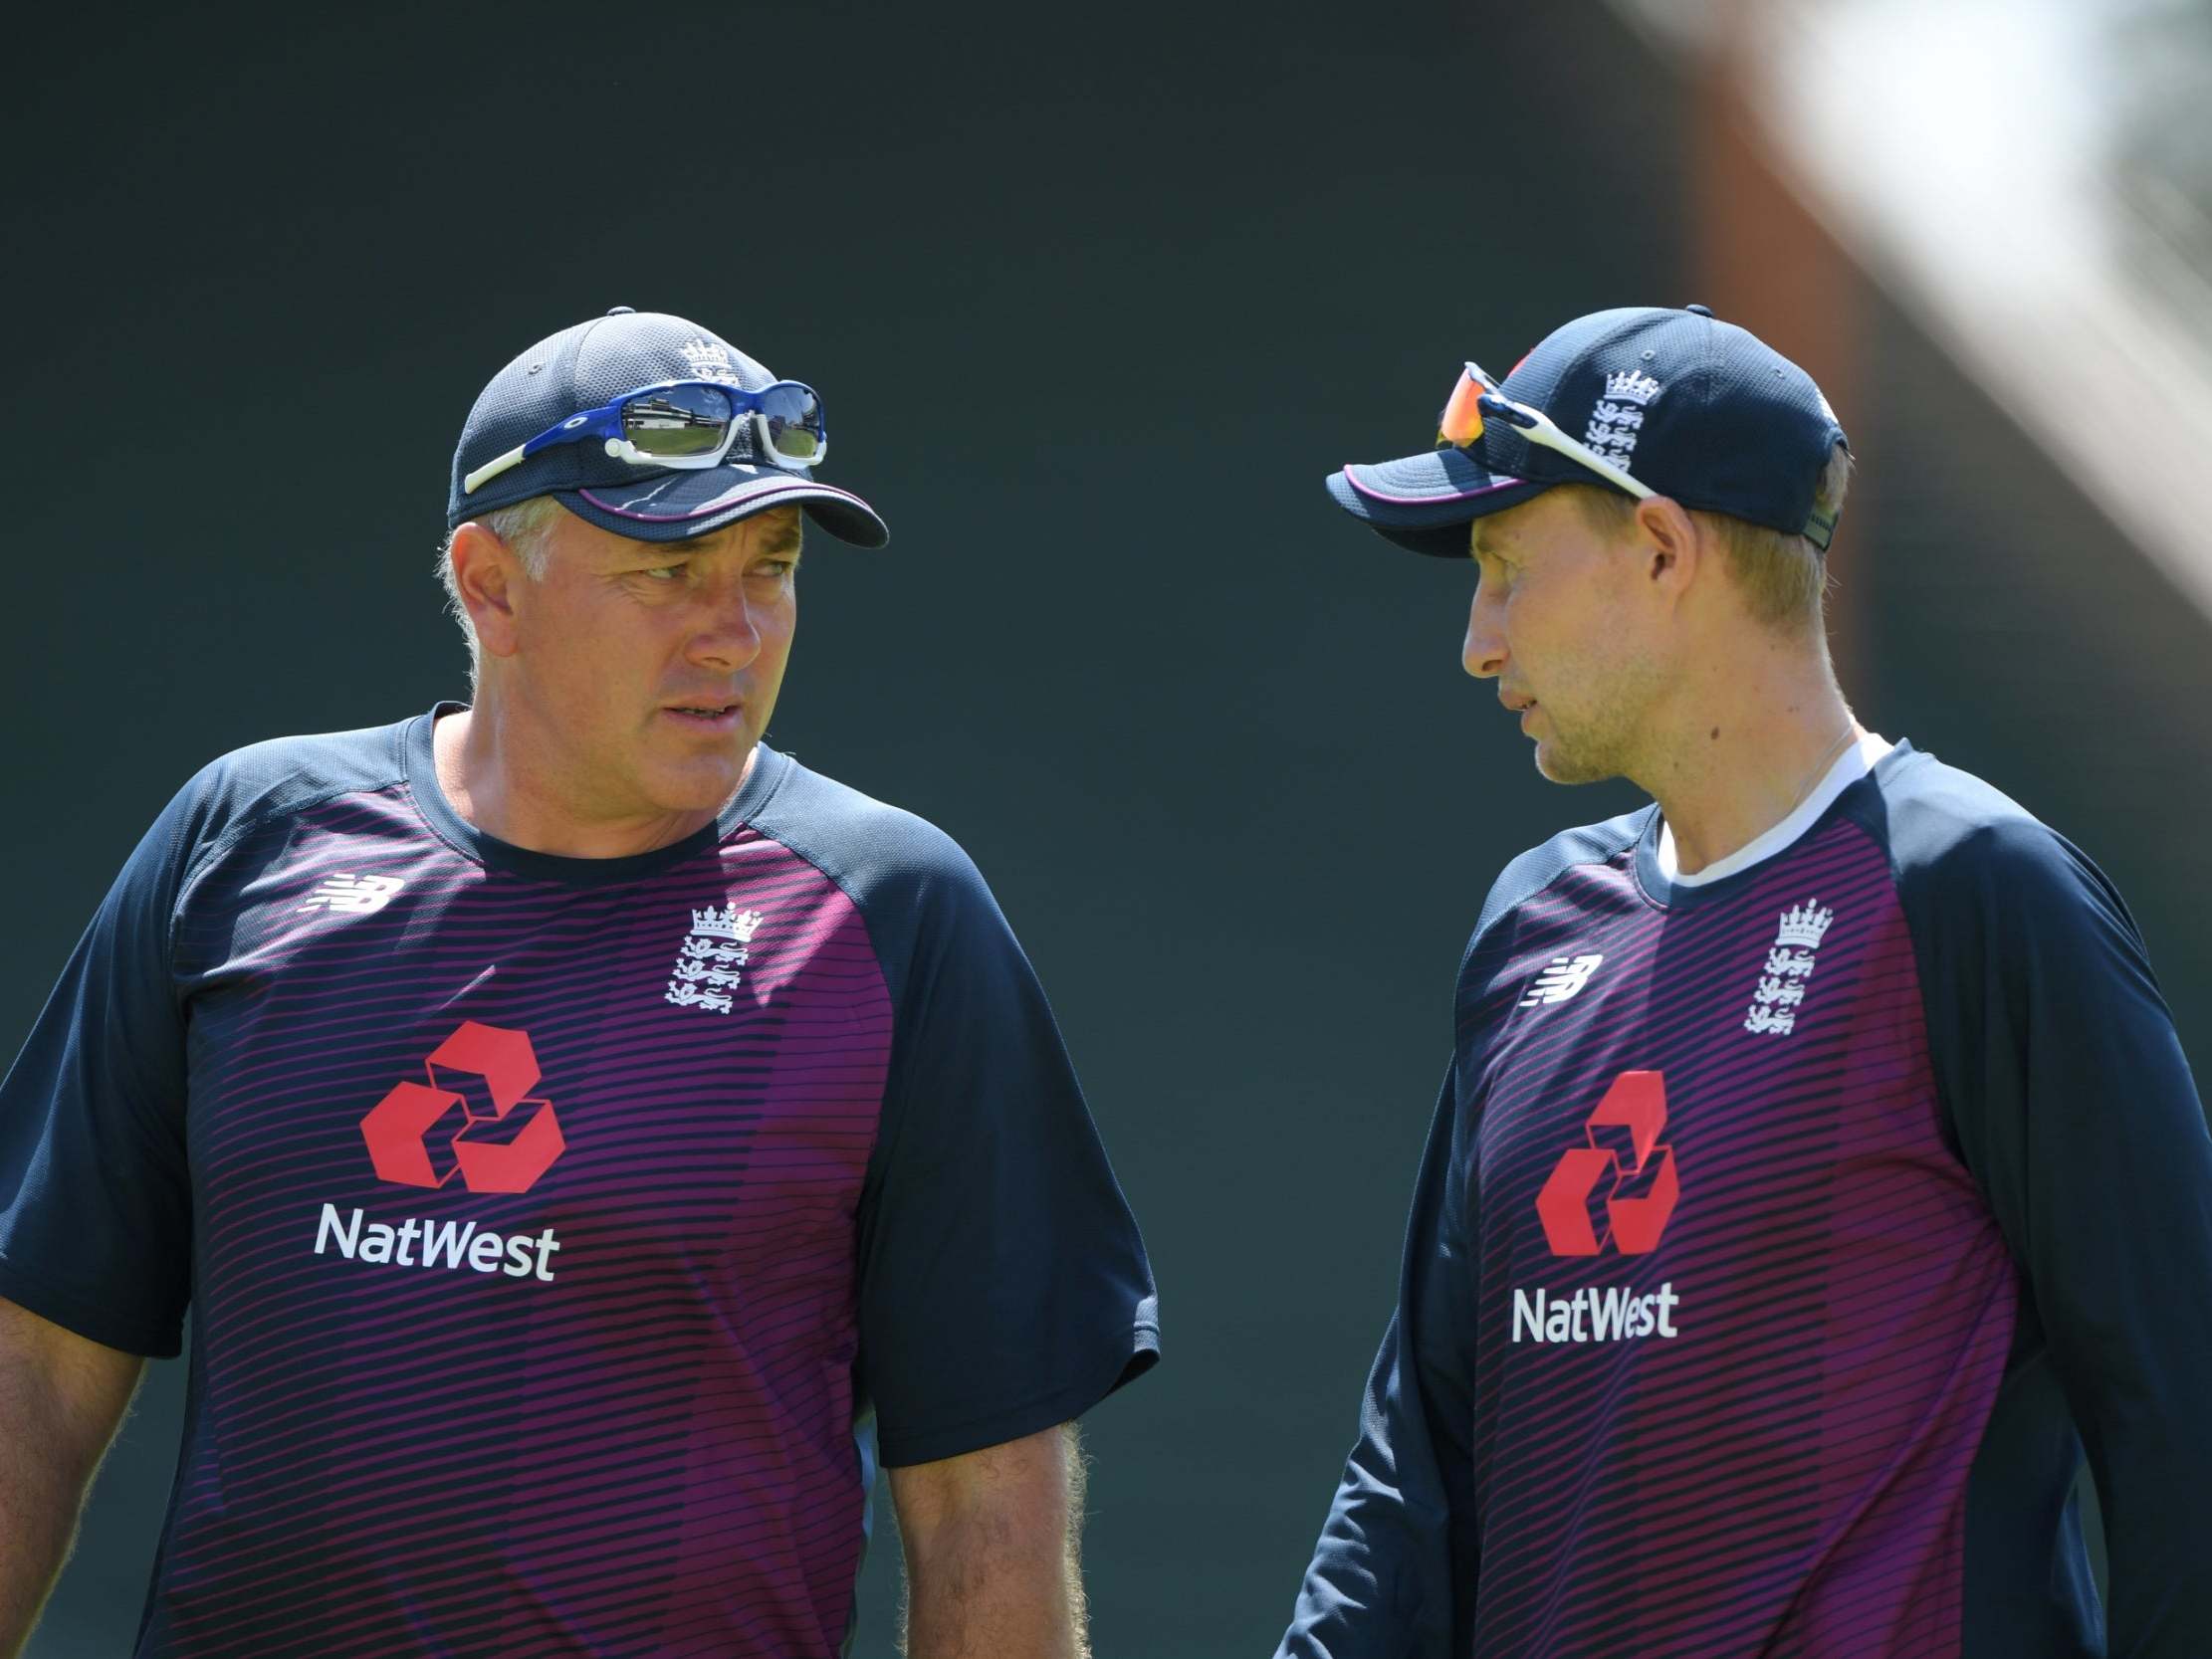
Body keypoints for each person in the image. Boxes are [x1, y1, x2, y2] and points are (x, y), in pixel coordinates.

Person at [0, 307, 1160, 1659]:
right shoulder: (247, 837)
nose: (734, 633)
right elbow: (33, 1367)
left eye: (770, 566)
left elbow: (987, 1501)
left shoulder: (892, 909)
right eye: (667, 573)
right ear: (489, 582)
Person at [1275, 305, 2212, 1658]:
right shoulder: (1530, 923)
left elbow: (2181, 1420)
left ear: (1659, 549)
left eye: (1502, 565)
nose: (1478, 642)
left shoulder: (1973, 893)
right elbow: (1413, 1470)